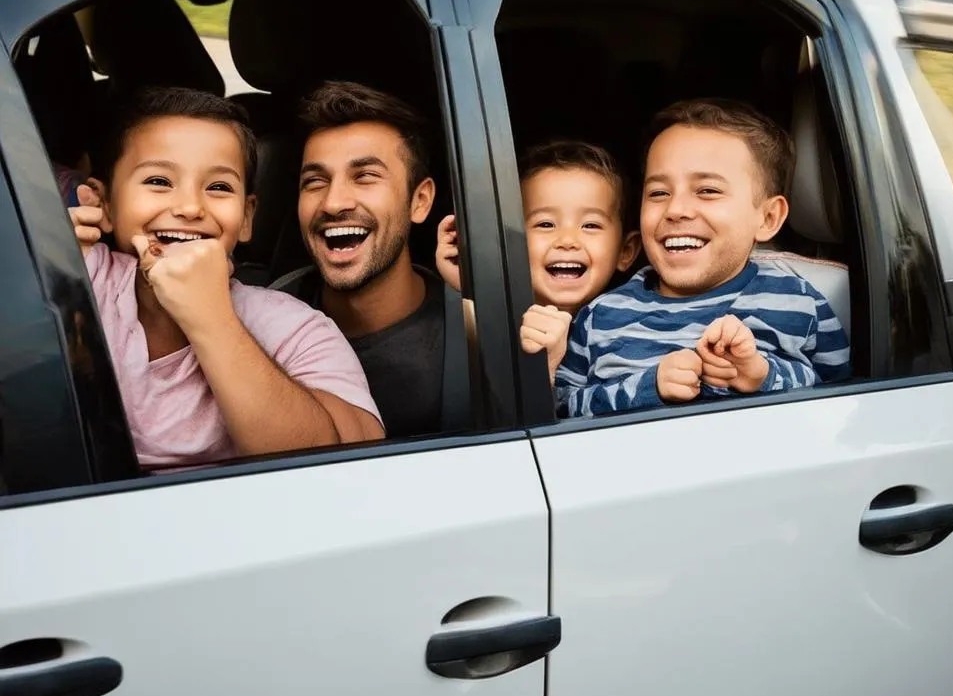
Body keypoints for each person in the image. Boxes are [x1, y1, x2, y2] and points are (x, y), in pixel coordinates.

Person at [69, 86, 383, 468]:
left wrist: (212, 319)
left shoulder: (293, 328)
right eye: (158, 181)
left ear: (247, 216)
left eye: (218, 187)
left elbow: (349, 464)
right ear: (104, 204)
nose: (188, 207)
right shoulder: (75, 278)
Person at [556, 98, 851, 417]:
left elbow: (844, 402)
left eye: (707, 190)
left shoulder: (799, 302)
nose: (676, 209)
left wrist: (762, 377)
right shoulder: (602, 315)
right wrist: (646, 389)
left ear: (767, 218)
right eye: (658, 193)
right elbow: (562, 407)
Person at [273, 81, 446, 439]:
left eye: (365, 176)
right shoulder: (258, 319)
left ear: (420, 201)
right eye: (315, 181)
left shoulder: (470, 335)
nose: (334, 203)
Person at [436, 139, 641, 383]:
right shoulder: (498, 324)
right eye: (545, 224)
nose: (567, 240)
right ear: (508, 243)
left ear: (626, 251)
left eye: (590, 225)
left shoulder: (635, 331)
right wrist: (475, 288)